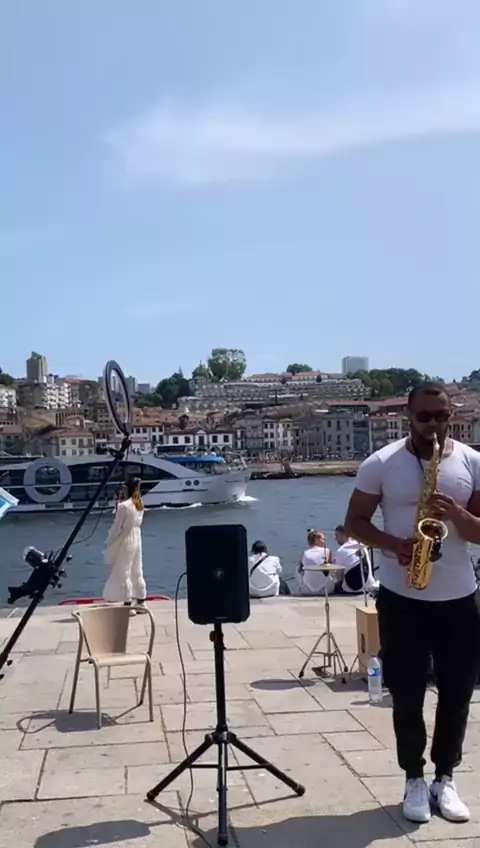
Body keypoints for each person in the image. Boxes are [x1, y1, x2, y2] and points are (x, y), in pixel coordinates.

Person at [345, 381, 480, 825]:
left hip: (459, 597)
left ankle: (445, 777)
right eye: (425, 416)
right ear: (408, 415)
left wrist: (457, 514)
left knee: (458, 693)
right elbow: (354, 522)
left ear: (450, 414)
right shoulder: (381, 463)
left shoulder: (472, 462)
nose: (434, 424)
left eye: (441, 416)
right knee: (406, 695)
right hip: (402, 596)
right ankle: (414, 779)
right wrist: (395, 545)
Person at [103, 476, 147, 613]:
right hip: (137, 537)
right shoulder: (140, 504)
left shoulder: (123, 506)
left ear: (126, 488)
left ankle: (128, 604)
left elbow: (117, 527)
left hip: (126, 539)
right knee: (137, 569)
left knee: (124, 570)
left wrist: (109, 539)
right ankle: (141, 601)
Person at [333, 525, 378, 595]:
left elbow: (339, 575)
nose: (335, 539)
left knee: (335, 585)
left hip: (351, 590)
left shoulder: (341, 550)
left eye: (336, 535)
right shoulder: (362, 545)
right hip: (368, 587)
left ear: (343, 534)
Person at [297, 530, 337, 596]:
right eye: (323, 540)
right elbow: (332, 568)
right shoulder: (327, 551)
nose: (324, 542)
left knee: (298, 568)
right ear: (316, 540)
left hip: (307, 590)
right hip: (326, 590)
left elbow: (300, 569)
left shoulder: (304, 553)